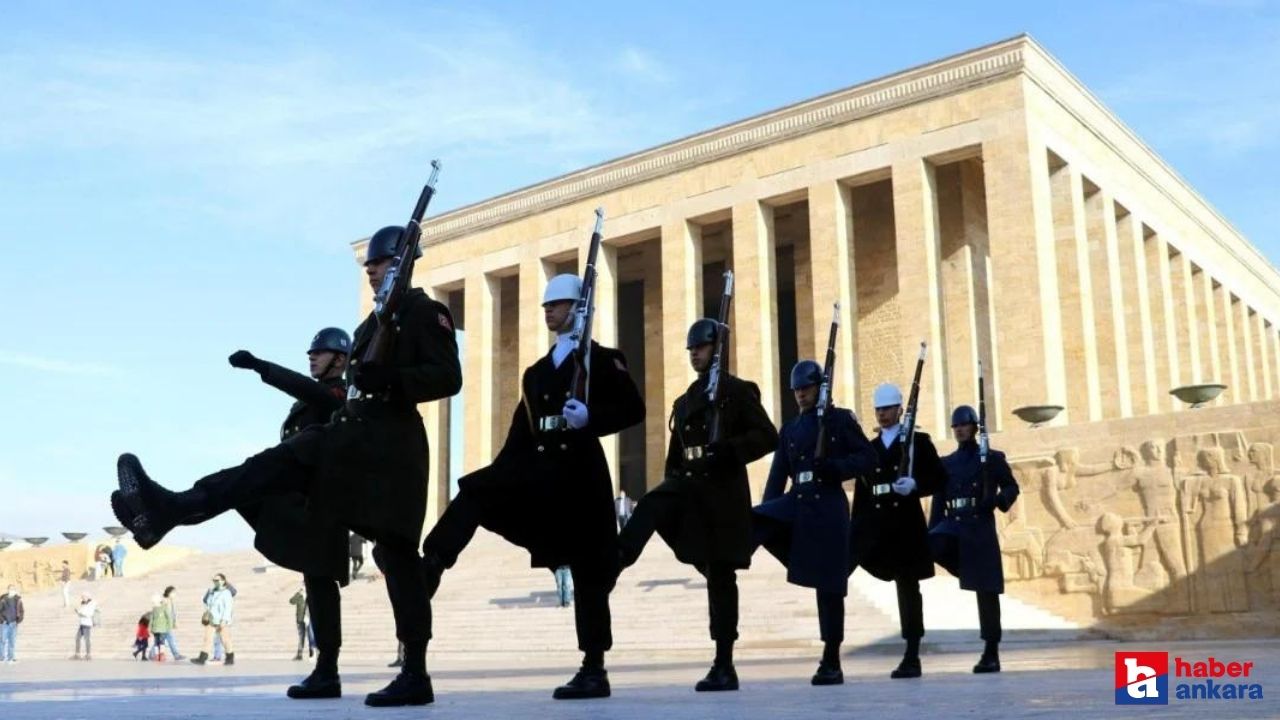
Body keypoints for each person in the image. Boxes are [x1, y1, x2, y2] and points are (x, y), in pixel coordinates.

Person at [111, 225, 462, 706]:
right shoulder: (370, 326)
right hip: (352, 441)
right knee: (268, 470)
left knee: (398, 557)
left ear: (400, 263)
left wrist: (391, 378)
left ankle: (415, 673)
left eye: (377, 263)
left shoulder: (425, 312)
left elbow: (448, 377)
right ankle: (171, 508)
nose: (370, 271)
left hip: (393, 451)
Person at [420, 273, 645, 700]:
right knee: (475, 489)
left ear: (579, 308)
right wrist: (500, 479)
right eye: (546, 305)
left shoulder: (604, 359)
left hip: (581, 478)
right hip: (540, 474)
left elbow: (633, 409)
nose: (548, 311)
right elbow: (518, 436)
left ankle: (594, 668)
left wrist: (591, 419)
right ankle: (432, 562)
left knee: (590, 573)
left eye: (556, 305)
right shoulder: (536, 373)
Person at [618, 317, 779, 692]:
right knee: (655, 501)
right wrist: (675, 479)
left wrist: (729, 450)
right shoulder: (688, 399)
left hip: (723, 500)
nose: (694, 354)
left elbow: (767, 436)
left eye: (701, 348)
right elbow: (675, 457)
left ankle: (724, 664)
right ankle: (619, 554)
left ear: (716, 349)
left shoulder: (737, 392)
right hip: (691, 491)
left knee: (720, 577)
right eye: (691, 349)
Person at [226, 326, 353, 699]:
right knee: (242, 489)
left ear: (340, 360)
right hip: (302, 501)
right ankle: (326, 671)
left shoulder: (338, 394)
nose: (312, 357)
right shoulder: (309, 402)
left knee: (320, 584)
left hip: (324, 504)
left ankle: (327, 670)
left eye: (320, 352)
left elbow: (306, 389)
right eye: (311, 353)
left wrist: (263, 367)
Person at [752, 360, 877, 686]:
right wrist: (768, 510)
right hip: (799, 500)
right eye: (796, 389)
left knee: (829, 589)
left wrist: (835, 467)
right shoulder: (791, 430)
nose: (800, 394)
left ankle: (831, 658)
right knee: (756, 518)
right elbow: (777, 476)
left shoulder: (839, 420)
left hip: (829, 504)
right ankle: (784, 558)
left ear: (820, 388)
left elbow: (868, 458)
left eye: (806, 388)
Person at [848, 383, 947, 679]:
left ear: (900, 410)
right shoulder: (871, 448)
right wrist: (857, 528)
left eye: (888, 409)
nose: (882, 415)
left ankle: (912, 652)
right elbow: (864, 490)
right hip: (876, 526)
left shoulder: (916, 442)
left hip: (904, 525)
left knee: (907, 588)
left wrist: (915, 485)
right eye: (878, 410)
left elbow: (938, 478)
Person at [929, 405, 1020, 674]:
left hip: (979, 524)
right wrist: (932, 528)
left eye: (963, 425)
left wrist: (998, 500)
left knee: (987, 592)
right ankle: (965, 570)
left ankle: (991, 652)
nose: (958, 430)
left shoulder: (991, 458)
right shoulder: (946, 463)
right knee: (932, 544)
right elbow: (937, 497)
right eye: (955, 426)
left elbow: (1012, 486)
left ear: (974, 427)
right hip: (954, 522)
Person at [194, 574, 235, 666]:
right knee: (207, 638)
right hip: (212, 619)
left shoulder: (226, 593)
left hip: (221, 620)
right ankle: (202, 658)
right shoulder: (211, 591)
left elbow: (228, 608)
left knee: (225, 640)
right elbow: (207, 603)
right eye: (214, 580)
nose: (215, 582)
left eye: (218, 580)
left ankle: (230, 657)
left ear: (223, 581)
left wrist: (224, 620)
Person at [159, 586, 184, 661]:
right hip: (165, 624)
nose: (175, 594)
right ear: (169, 593)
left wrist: (174, 622)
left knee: (161, 640)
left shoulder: (171, 601)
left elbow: (173, 613)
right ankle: (176, 655)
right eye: (173, 593)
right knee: (170, 639)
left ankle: (153, 654)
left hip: (167, 624)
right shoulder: (165, 601)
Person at [289, 586, 313, 661]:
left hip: (309, 619)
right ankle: (299, 654)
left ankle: (312, 654)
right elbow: (291, 601)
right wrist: (299, 594)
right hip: (300, 619)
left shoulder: (312, 594)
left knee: (311, 637)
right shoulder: (299, 596)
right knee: (301, 637)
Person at [0, 585, 23, 663]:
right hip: (4, 623)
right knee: (2, 640)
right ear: (8, 590)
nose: (12, 591)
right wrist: (2, 620)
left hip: (13, 623)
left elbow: (22, 610)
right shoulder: (3, 599)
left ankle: (11, 657)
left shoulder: (18, 599)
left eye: (13, 589)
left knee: (12, 641)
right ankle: (1, 657)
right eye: (10, 589)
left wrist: (19, 619)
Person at [149, 594, 173, 661]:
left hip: (163, 629)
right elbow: (151, 619)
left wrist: (169, 626)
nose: (154, 603)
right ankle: (157, 655)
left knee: (161, 641)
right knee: (156, 642)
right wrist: (150, 628)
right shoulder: (154, 609)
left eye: (154, 601)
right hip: (155, 629)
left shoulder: (164, 607)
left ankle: (162, 655)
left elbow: (169, 618)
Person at [72, 592, 96, 660]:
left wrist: (80, 612)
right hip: (82, 623)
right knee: (77, 638)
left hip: (87, 624)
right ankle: (77, 654)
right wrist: (78, 611)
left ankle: (88, 654)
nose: (82, 598)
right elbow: (81, 613)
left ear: (88, 597)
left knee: (87, 639)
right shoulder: (83, 603)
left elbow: (89, 614)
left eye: (83, 597)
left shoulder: (91, 604)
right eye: (82, 597)